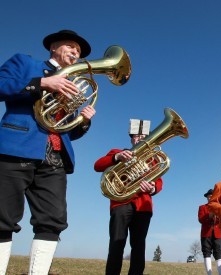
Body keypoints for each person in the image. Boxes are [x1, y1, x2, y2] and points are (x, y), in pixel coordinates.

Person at [0, 29, 96, 274]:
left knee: (53, 222)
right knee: (3, 219)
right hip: (17, 148)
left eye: (79, 51)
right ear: (53, 47)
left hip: (54, 158)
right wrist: (41, 83)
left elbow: (66, 130)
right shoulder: (25, 62)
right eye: (71, 46)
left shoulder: (74, 84)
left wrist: (83, 121)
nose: (76, 52)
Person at [94, 119, 163, 275]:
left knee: (139, 246)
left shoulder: (152, 158)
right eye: (136, 136)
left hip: (143, 206)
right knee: (116, 244)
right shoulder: (118, 152)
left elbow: (159, 180)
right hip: (120, 204)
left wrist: (152, 188)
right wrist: (117, 157)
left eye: (143, 136)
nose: (139, 139)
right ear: (131, 138)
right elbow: (97, 166)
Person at [199, 189, 221, 275]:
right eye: (209, 196)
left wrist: (218, 216)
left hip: (218, 233)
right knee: (206, 253)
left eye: (212, 196)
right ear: (207, 198)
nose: (210, 197)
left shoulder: (220, 206)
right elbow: (201, 219)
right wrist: (209, 216)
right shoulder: (202, 207)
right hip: (206, 233)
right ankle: (209, 274)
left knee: (218, 252)